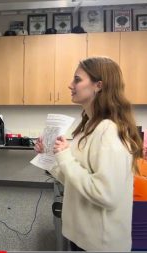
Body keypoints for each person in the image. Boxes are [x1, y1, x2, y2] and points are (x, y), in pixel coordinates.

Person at [35, 57, 142, 251]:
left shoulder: (109, 131)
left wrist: (65, 156)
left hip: (100, 244)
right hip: (81, 237)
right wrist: (50, 158)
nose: (70, 85)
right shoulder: (89, 127)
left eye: (77, 79)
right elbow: (75, 180)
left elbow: (105, 194)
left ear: (98, 86)